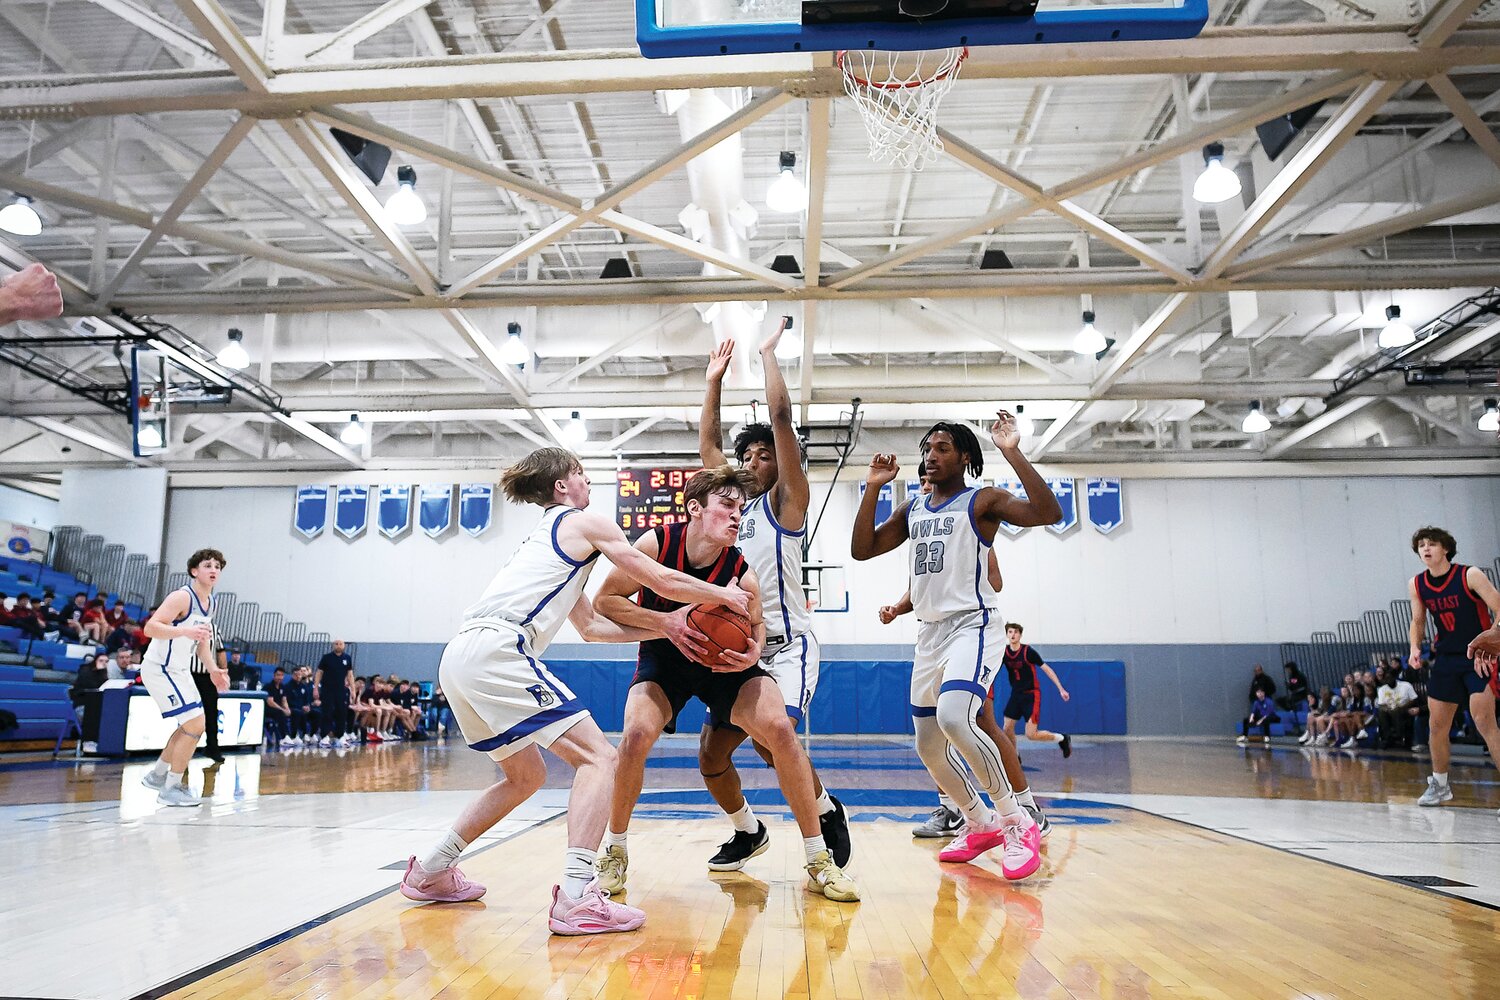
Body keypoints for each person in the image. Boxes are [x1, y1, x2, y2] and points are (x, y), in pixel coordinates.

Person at [400, 447, 753, 937]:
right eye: (582, 474)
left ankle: (431, 870)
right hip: (501, 650)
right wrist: (721, 595)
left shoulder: (546, 545)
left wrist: (667, 627)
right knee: (601, 759)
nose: (588, 483)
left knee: (523, 777)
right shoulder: (584, 522)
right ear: (564, 485)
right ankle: (575, 896)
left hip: (460, 657)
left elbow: (590, 627)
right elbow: (655, 576)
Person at [592, 466, 858, 902]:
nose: (737, 516)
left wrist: (753, 651)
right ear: (695, 508)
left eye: (741, 508)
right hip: (667, 656)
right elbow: (605, 601)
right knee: (635, 736)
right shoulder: (656, 544)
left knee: (778, 731)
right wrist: (666, 623)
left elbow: (755, 628)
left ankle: (817, 859)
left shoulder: (742, 571)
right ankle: (615, 852)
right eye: (727, 506)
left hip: (724, 665)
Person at [851, 412, 1055, 880]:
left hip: (974, 625)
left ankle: (1016, 822)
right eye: (927, 449)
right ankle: (976, 820)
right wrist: (874, 487)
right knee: (927, 743)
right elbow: (862, 549)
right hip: (929, 632)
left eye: (942, 448)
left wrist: (1011, 451)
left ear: (965, 457)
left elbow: (1048, 513)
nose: (930, 456)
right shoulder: (914, 509)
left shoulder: (982, 501)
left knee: (954, 717)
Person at [695, 321, 852, 872]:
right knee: (711, 758)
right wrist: (713, 381)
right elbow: (709, 446)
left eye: (767, 455)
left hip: (786, 644)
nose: (758, 461)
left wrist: (767, 356)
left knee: (771, 736)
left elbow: (783, 419)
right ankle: (748, 830)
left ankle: (824, 808)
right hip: (738, 648)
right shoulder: (729, 511)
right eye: (751, 456)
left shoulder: (784, 507)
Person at [877, 525, 1052, 841]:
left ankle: (1025, 806)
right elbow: (919, 589)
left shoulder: (971, 528)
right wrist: (897, 608)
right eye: (924, 482)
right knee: (933, 732)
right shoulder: (922, 528)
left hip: (969, 635)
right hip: (932, 639)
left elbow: (995, 582)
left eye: (931, 480)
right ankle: (952, 809)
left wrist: (957, 581)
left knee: (979, 722)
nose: (929, 485)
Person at [1406, 527, 1500, 807]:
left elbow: (1498, 607)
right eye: (1421, 545)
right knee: (1436, 725)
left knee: (1484, 722)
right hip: (1446, 658)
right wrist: (1414, 647)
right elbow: (1418, 620)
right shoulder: (1417, 583)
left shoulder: (1469, 575)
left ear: (1445, 548)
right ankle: (1440, 785)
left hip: (1477, 657)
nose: (1425, 549)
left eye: (1431, 544)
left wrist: (1494, 639)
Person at [138, 549, 229, 806]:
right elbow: (150, 627)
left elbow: (202, 644)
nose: (214, 570)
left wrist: (213, 670)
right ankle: (171, 787)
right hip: (159, 667)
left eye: (218, 567)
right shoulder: (182, 597)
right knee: (195, 725)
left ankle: (158, 776)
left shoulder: (211, 602)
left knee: (191, 725)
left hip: (180, 670)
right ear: (194, 571)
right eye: (208, 565)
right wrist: (184, 631)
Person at [995, 624, 1072, 756]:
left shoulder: (1028, 652)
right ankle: (1015, 756)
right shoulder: (1004, 653)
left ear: (1020, 635)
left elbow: (1047, 669)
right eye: (1010, 632)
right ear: (1007, 634)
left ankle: (1062, 738)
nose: (1013, 634)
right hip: (1016, 695)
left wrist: (1061, 689)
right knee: (1007, 728)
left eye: (1016, 632)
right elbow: (993, 669)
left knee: (1031, 734)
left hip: (1031, 695)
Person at [315, 639, 356, 747]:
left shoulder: (347, 658)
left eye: (341, 644)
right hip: (327, 689)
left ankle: (340, 736)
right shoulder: (326, 657)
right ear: (333, 646)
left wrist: (353, 690)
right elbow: (319, 673)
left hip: (341, 690)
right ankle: (324, 737)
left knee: (342, 712)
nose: (338, 646)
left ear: (344, 646)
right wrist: (315, 688)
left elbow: (350, 675)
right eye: (336, 644)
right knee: (327, 712)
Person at [1376, 667, 1419, 750]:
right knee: (1381, 712)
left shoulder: (1406, 685)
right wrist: (1387, 709)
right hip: (1389, 710)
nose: (1388, 680)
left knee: (1396, 711)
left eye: (1389, 677)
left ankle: (1399, 737)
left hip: (1404, 708)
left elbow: (1414, 699)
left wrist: (1402, 707)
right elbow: (1381, 704)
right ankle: (1387, 738)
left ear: (1395, 677)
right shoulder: (1382, 689)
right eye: (1386, 678)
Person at [264, 667, 292, 747]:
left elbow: (284, 700)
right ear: (274, 676)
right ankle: (284, 737)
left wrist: (287, 709)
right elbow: (270, 702)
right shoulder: (268, 686)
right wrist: (282, 709)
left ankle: (293, 736)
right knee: (280, 713)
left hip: (278, 709)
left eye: (282, 675)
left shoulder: (283, 687)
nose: (280, 677)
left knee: (292, 712)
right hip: (268, 709)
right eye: (278, 675)